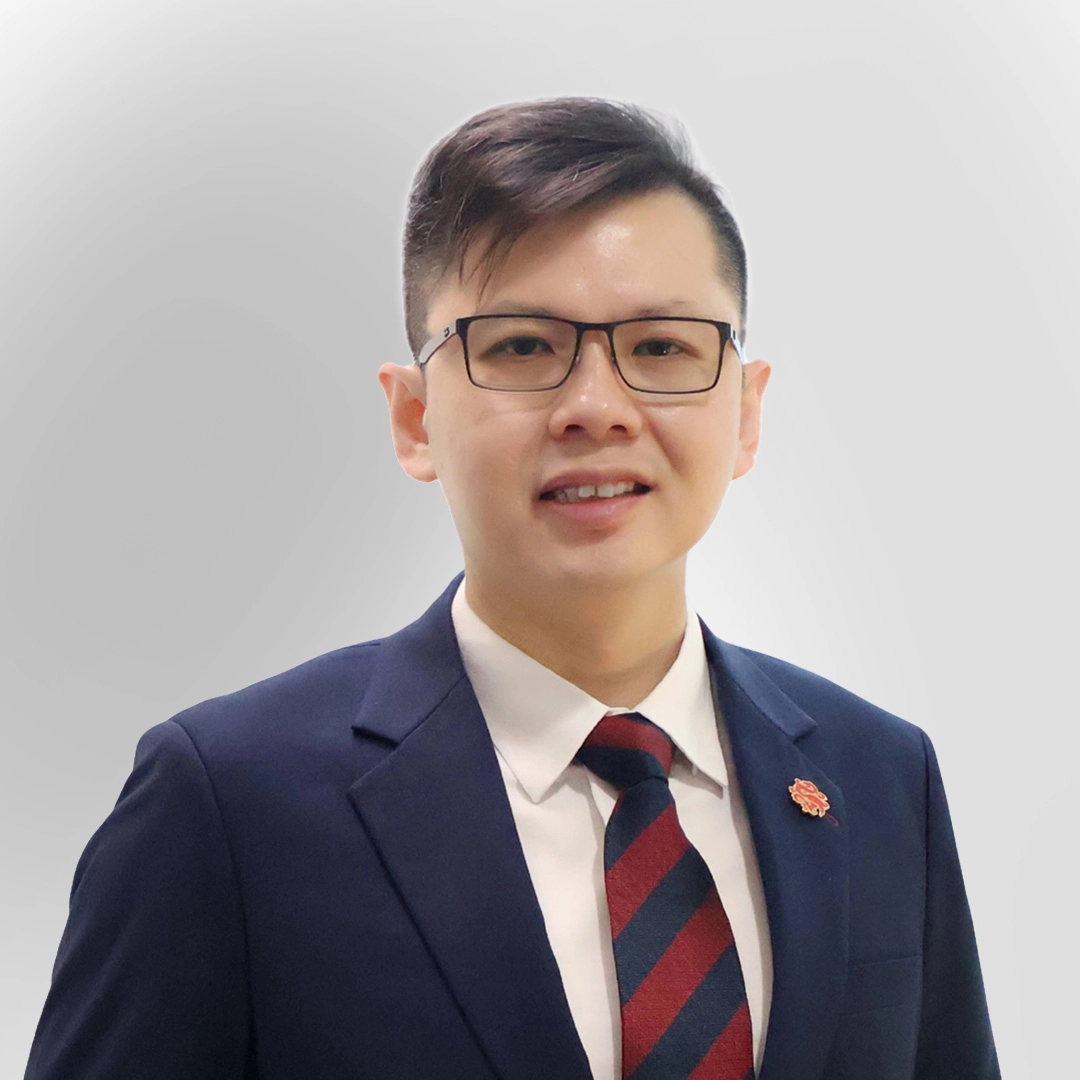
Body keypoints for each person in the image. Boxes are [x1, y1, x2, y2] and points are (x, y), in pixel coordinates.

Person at [24, 97, 999, 1080]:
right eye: (524, 347)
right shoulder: (227, 804)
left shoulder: (881, 778)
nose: (596, 408)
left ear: (745, 412)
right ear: (413, 418)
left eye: (662, 347)